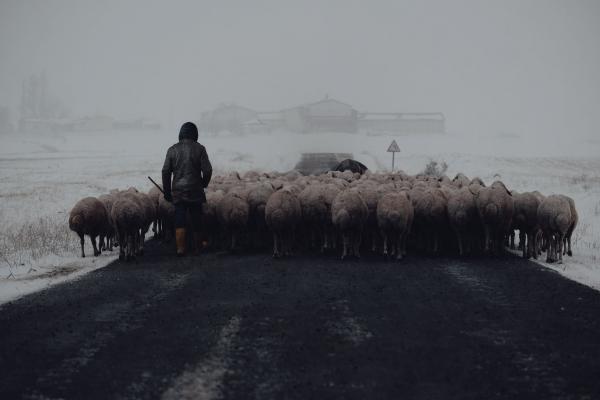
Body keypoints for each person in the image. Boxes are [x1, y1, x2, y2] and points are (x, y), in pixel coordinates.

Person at [162, 122, 212, 256]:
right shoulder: (200, 149)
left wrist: (167, 192)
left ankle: (180, 248)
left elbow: (165, 171)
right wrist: (203, 183)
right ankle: (197, 247)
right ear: (195, 133)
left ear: (181, 133)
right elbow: (207, 170)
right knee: (197, 217)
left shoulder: (172, 150)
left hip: (178, 191)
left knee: (179, 217)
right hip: (195, 189)